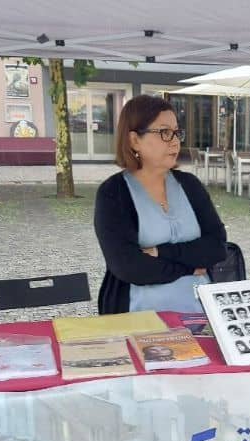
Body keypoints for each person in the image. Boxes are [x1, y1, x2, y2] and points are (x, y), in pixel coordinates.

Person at [95, 95, 227, 314]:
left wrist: (160, 251)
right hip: (138, 316)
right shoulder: (113, 193)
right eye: (164, 132)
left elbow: (217, 248)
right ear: (134, 140)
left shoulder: (190, 185)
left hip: (201, 312)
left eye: (176, 132)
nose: (175, 142)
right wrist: (190, 267)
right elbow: (129, 267)